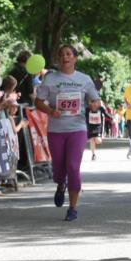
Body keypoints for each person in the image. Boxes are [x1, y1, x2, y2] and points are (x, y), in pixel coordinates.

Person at [34, 44, 99, 221]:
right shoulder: (50, 79)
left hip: (77, 128)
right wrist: (50, 111)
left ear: (75, 58)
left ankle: (72, 208)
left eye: (69, 54)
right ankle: (61, 184)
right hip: (56, 129)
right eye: (62, 54)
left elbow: (96, 100)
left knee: (73, 167)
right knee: (59, 167)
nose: (65, 57)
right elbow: (38, 102)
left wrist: (94, 105)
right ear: (58, 59)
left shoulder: (84, 79)